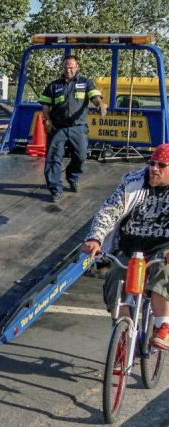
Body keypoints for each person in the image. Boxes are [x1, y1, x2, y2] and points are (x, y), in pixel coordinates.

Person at [81, 143, 169, 350]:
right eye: (152, 163)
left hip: (162, 247)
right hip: (131, 246)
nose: (154, 169)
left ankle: (162, 326)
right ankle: (125, 333)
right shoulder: (133, 182)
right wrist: (95, 238)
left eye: (162, 165)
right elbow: (109, 210)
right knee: (114, 280)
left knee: (163, 273)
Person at [39, 55, 108, 202]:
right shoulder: (53, 86)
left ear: (77, 67)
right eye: (66, 67)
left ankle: (73, 177)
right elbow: (45, 105)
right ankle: (55, 189)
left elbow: (95, 97)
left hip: (78, 128)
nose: (68, 70)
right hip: (58, 128)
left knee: (81, 156)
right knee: (53, 159)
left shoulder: (86, 83)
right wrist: (47, 120)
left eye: (71, 67)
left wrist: (100, 105)